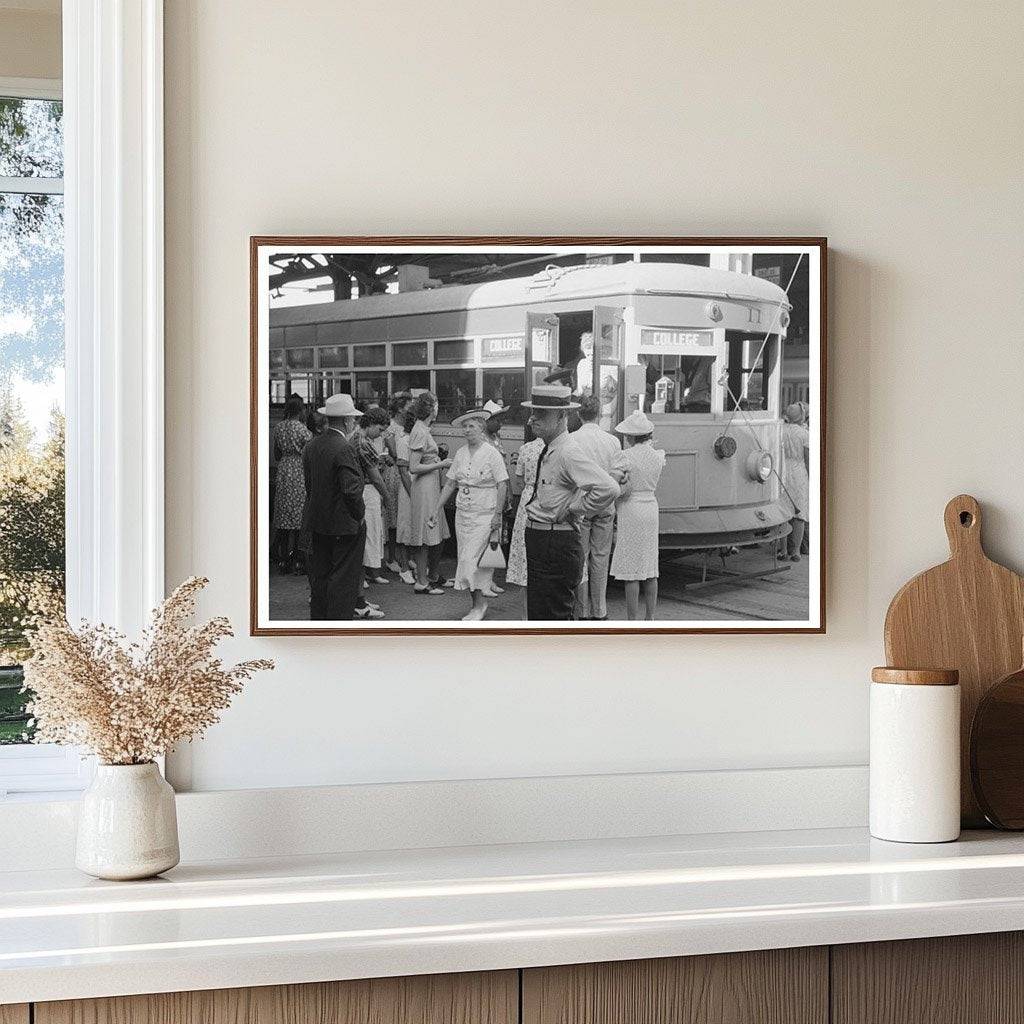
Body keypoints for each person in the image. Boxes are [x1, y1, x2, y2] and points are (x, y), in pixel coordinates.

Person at [520, 384, 619, 621]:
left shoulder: (567, 451)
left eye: (542, 413)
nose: (533, 419)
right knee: (541, 615)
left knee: (554, 617)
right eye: (534, 412)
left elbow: (608, 488)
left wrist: (574, 509)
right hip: (543, 538)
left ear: (563, 416)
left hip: (555, 540)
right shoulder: (552, 448)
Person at [430, 409, 509, 621]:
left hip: (485, 514)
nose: (466, 430)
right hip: (463, 514)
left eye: (471, 426)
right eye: (464, 426)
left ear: (481, 428)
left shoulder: (491, 453)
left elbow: (502, 484)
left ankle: (479, 605)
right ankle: (477, 604)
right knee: (467, 558)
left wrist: (497, 515)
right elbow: (450, 483)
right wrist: (436, 509)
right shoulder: (462, 453)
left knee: (471, 559)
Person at [301, 393, 366, 622]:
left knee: (320, 578)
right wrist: (359, 515)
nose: (354, 424)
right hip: (344, 525)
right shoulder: (344, 448)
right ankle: (338, 629)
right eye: (354, 420)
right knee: (343, 582)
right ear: (348, 421)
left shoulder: (311, 446)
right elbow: (350, 490)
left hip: (317, 522)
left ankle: (318, 624)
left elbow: (310, 485)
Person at [570, 395, 623, 620]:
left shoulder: (572, 440)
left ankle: (581, 610)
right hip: (605, 505)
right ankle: (600, 610)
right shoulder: (612, 441)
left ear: (578, 414)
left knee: (580, 558)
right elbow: (618, 475)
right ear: (600, 413)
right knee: (601, 557)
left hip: (581, 504)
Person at [610, 411, 665, 621]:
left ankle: (631, 620)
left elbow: (614, 483)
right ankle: (650, 617)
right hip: (651, 506)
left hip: (630, 508)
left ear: (631, 436)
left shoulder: (625, 456)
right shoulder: (658, 456)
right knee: (650, 567)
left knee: (631, 571)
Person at [406, 391, 452, 595]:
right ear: (431, 408)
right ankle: (422, 582)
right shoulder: (419, 430)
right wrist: (441, 463)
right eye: (436, 404)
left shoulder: (424, 428)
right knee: (425, 535)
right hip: (423, 488)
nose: (438, 408)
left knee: (436, 532)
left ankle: (432, 575)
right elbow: (413, 467)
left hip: (431, 486)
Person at [349, 406, 392, 607]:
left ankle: (361, 591)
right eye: (380, 430)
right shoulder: (362, 441)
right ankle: (358, 595)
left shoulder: (357, 438)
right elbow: (374, 476)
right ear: (372, 424)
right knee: (367, 538)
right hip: (366, 492)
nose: (381, 434)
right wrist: (387, 497)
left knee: (367, 539)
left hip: (362, 490)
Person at [272, 395, 312, 574]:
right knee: (298, 515)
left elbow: (276, 454)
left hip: (284, 469)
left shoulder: (279, 428)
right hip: (298, 469)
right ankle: (297, 557)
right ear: (301, 410)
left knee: (283, 515)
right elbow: (309, 451)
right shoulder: (302, 429)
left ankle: (282, 558)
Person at [505, 433, 545, 591]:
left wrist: (529, 488)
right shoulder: (558, 447)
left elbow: (519, 480)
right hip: (548, 496)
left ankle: (524, 580)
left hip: (528, 498)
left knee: (524, 541)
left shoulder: (525, 448)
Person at [382, 392, 412, 575]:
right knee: (395, 517)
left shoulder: (407, 427)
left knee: (405, 516)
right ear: (400, 409)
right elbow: (395, 454)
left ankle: (405, 557)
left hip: (405, 471)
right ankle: (392, 558)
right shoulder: (391, 428)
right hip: (395, 474)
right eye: (409, 406)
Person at [780, 402, 811, 562]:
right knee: (799, 513)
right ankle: (796, 552)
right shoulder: (804, 434)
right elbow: (807, 459)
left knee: (783, 513)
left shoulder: (780, 431)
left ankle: (783, 550)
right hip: (799, 473)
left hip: (783, 471)